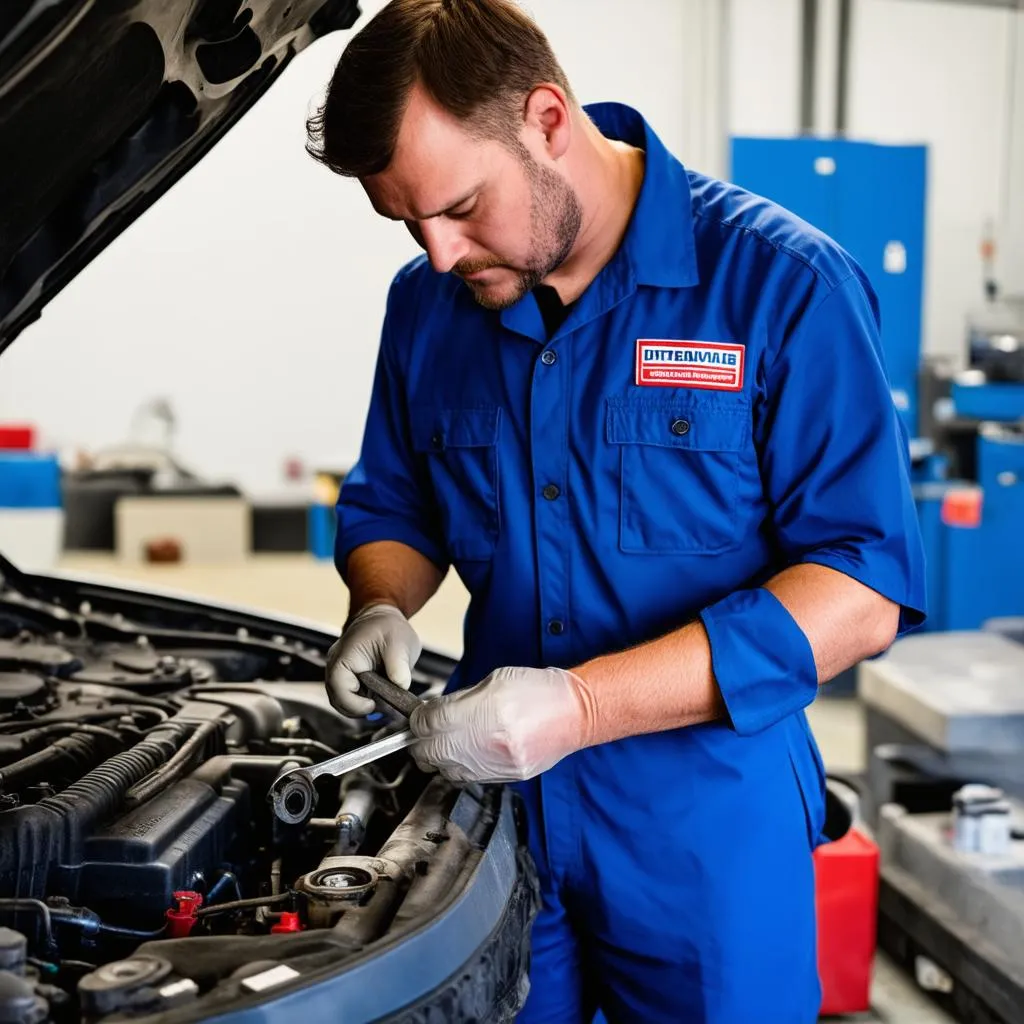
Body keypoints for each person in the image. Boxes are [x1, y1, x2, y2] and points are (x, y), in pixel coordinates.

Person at [307, 1, 927, 1020]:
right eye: (407, 223)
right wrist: (380, 601)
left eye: (460, 206)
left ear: (548, 119)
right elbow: (397, 500)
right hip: (492, 816)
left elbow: (857, 590)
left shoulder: (781, 287)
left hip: (705, 826)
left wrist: (584, 707)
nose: (438, 254)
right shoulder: (428, 306)